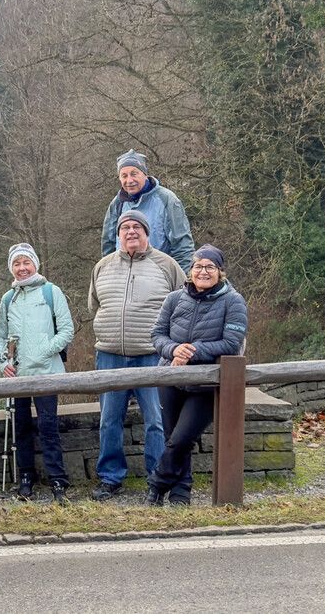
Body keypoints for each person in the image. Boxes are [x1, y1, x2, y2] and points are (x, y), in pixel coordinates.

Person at [89, 209, 185, 501]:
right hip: (109, 354)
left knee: (156, 420)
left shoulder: (167, 266)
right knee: (109, 419)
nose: (131, 232)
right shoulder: (102, 266)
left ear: (147, 233)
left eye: (137, 227)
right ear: (118, 235)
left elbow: (183, 309)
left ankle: (157, 478)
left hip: (152, 355)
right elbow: (94, 306)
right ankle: (110, 478)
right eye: (125, 228)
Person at [148, 245, 247, 506]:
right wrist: (174, 350)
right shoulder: (174, 299)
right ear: (191, 271)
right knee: (173, 439)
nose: (203, 271)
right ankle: (181, 493)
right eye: (198, 266)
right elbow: (157, 335)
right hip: (170, 376)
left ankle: (157, 483)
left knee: (182, 439)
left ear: (220, 272)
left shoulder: (233, 301)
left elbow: (232, 342)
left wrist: (192, 352)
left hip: (206, 382)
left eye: (210, 267)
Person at [0, 243, 74, 503]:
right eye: (16, 264)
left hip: (48, 372)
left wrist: (44, 350)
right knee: (21, 428)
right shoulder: (8, 298)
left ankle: (57, 480)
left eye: (26, 262)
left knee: (49, 427)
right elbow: (0, 336)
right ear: (11, 269)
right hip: (18, 376)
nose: (22, 268)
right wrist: (1, 360)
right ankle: (25, 478)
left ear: (35, 264)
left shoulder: (51, 292)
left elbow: (66, 331)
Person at [101, 149, 194, 272]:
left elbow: (183, 247)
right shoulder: (117, 204)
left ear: (145, 174)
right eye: (124, 176)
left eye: (134, 174)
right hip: (124, 277)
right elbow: (108, 246)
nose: (129, 180)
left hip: (159, 278)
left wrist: (179, 283)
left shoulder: (167, 200)